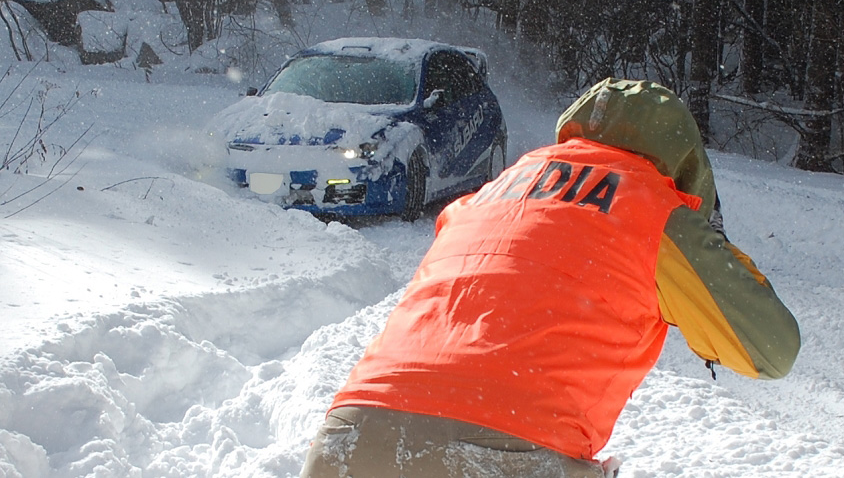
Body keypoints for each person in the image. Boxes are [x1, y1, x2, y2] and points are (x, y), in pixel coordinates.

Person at [300, 78, 801, 478]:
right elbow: (772, 349)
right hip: (501, 457)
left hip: (346, 442)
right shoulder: (655, 212)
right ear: (683, 162)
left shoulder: (496, 188)